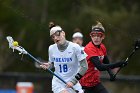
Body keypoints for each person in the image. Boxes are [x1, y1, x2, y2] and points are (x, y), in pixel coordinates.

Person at [79, 21, 127, 93]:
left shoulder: (102, 47)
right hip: (85, 85)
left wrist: (111, 73)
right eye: (93, 35)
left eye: (99, 36)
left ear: (103, 37)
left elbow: (106, 62)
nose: (96, 38)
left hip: (96, 83)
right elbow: (100, 67)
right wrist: (118, 64)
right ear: (91, 36)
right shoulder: (89, 48)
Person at [40, 22, 88, 93]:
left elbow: (84, 66)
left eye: (57, 34)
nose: (55, 38)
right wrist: (49, 65)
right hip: (58, 83)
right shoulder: (51, 48)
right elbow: (52, 63)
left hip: (73, 83)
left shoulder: (75, 47)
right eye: (53, 37)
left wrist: (73, 81)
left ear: (63, 33)